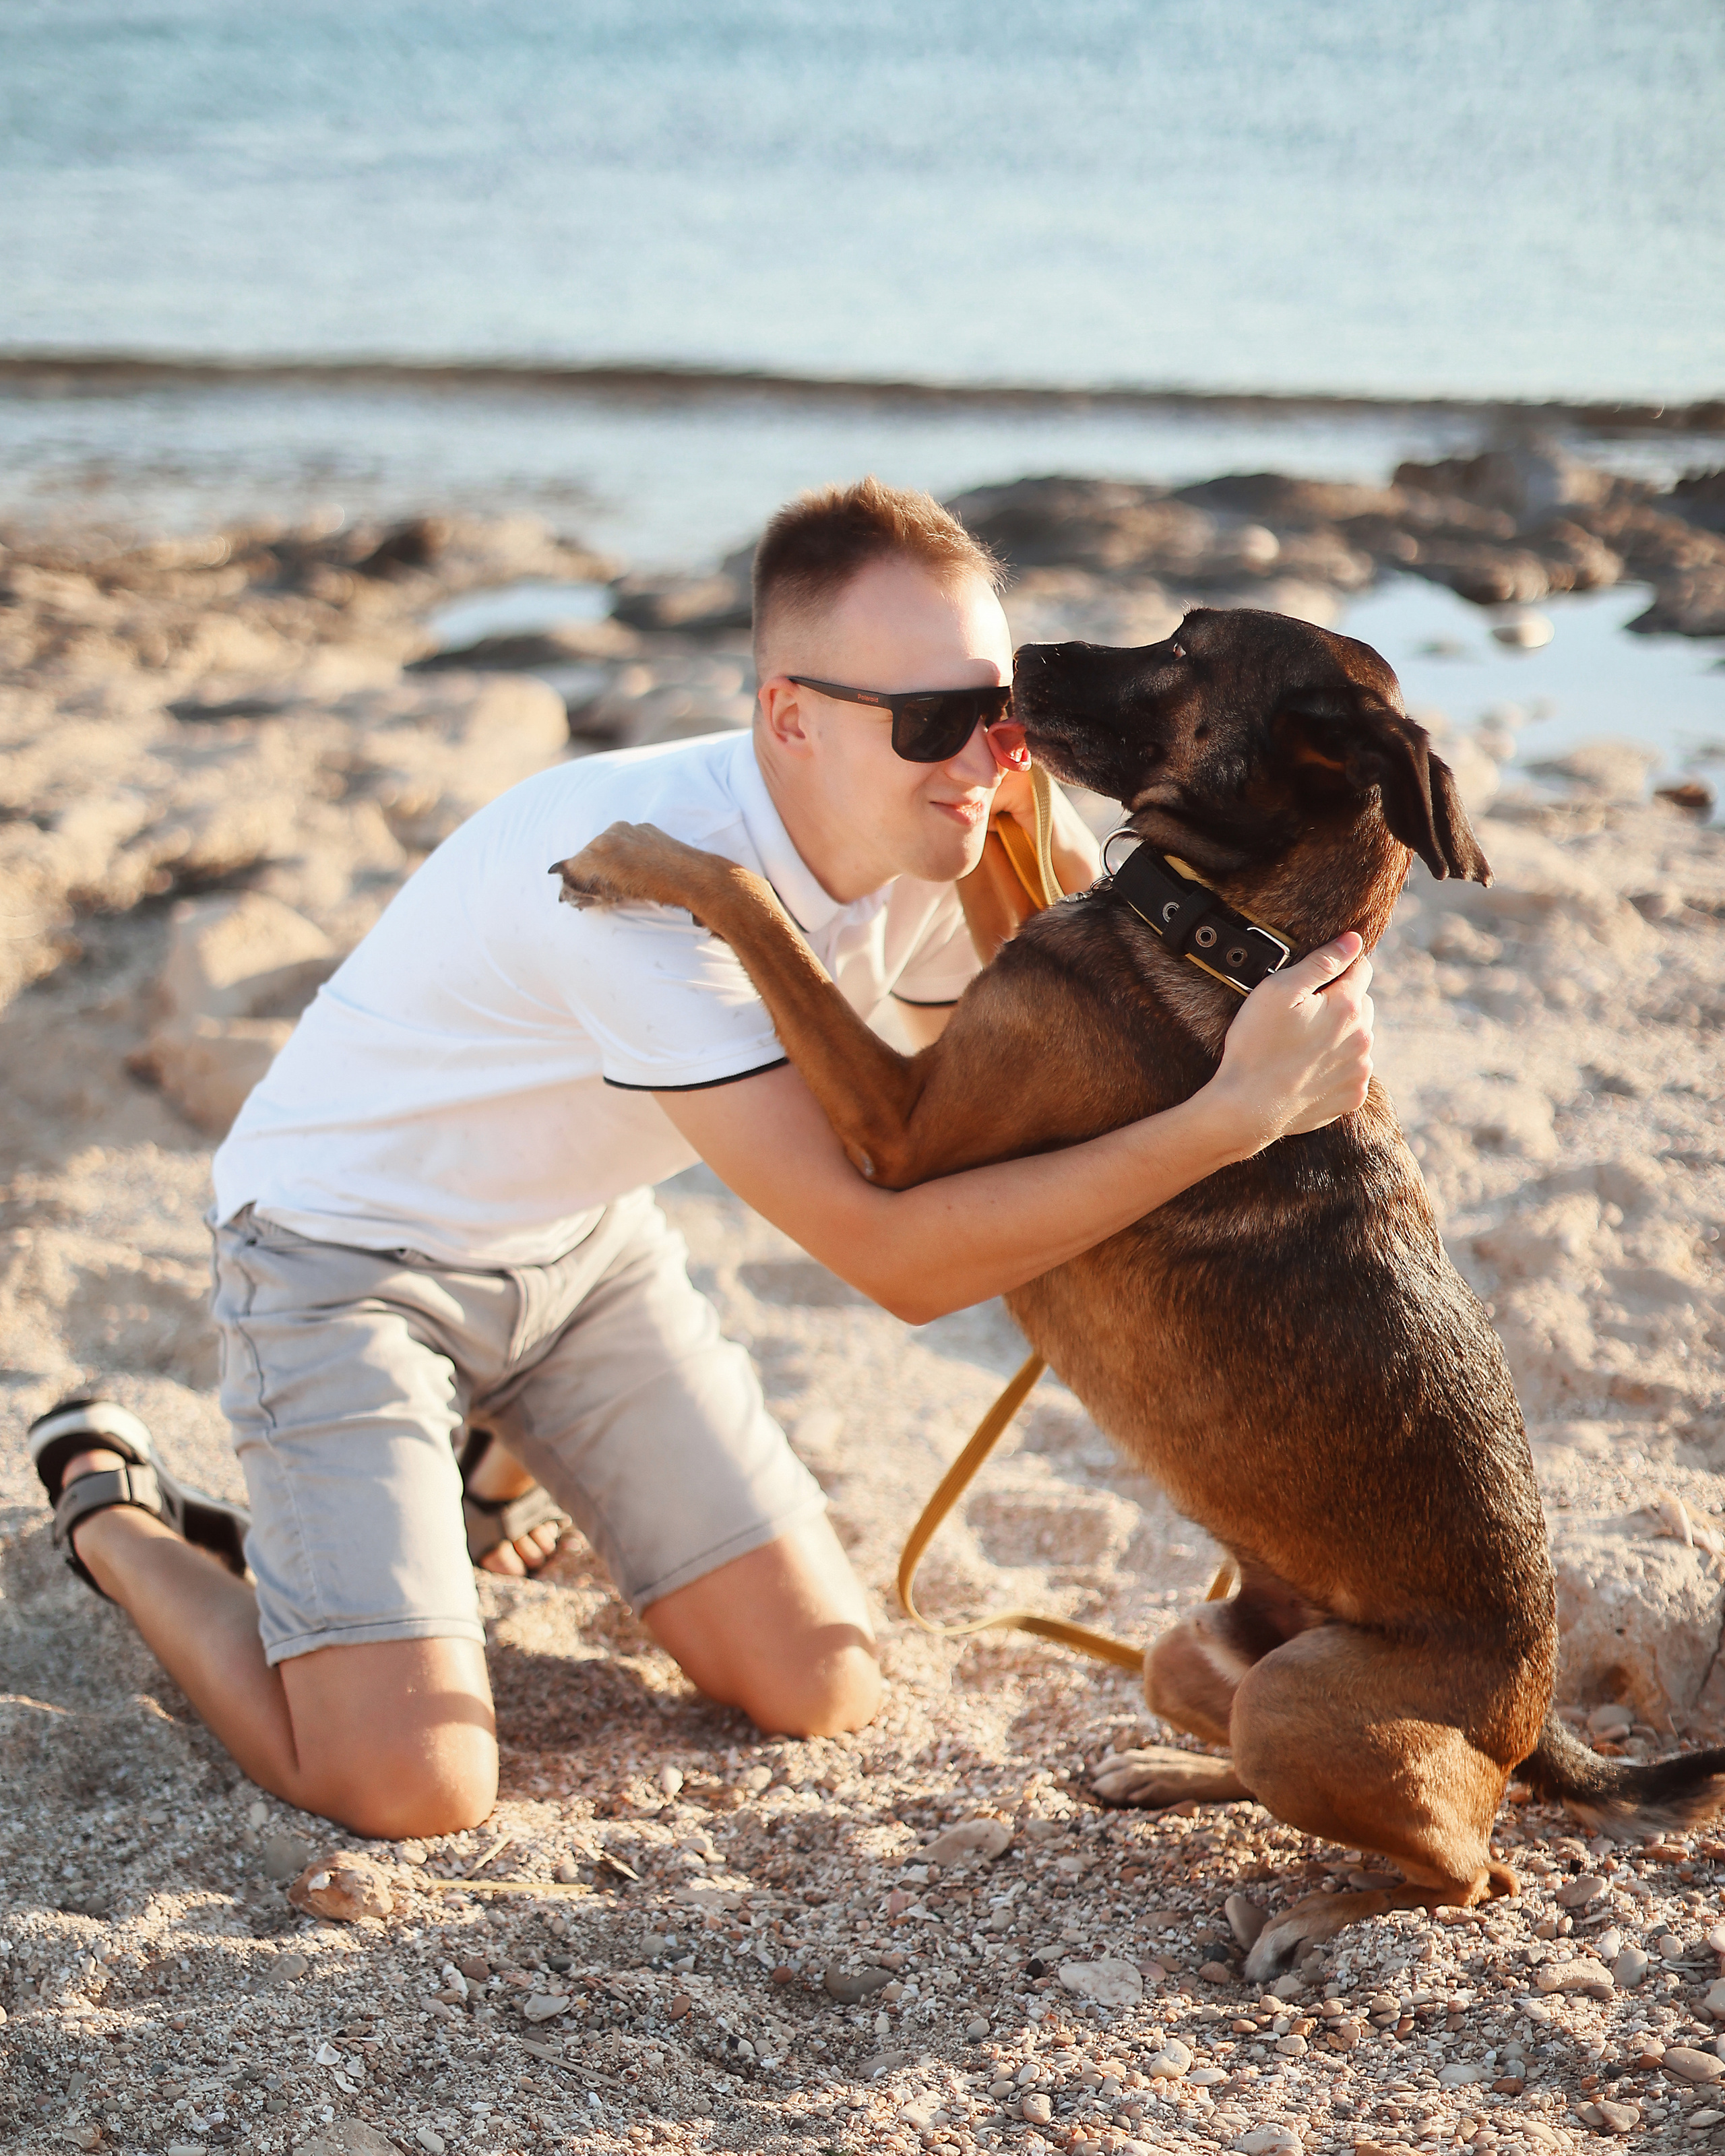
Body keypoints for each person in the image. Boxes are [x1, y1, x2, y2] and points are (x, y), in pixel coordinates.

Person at [30, 479, 1373, 1839]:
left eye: (1002, 712)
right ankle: (114, 1510)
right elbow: (894, 1257)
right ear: (788, 714)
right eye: (930, 724)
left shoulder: (940, 837)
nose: (983, 761)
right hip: (339, 1260)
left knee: (819, 1683)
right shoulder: (632, 891)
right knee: (408, 1787)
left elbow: (1021, 1088)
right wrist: (1227, 1120)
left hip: (579, 1248)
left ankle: (486, 1458)